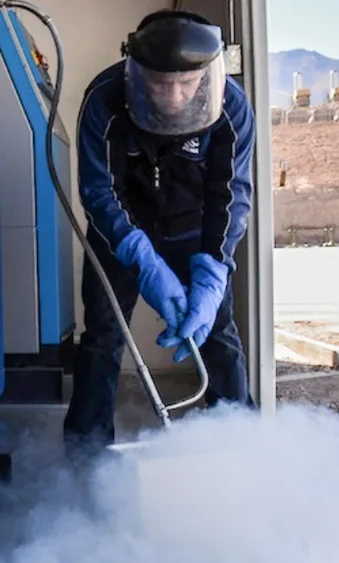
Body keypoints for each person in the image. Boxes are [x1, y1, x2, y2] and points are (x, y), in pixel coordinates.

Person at [62, 9, 256, 462]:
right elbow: (98, 191)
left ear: (206, 75)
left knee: (218, 332)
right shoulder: (104, 99)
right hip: (121, 233)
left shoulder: (232, 107)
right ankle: (85, 456)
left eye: (186, 83)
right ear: (135, 70)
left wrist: (215, 267)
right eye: (161, 83)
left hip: (195, 230)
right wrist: (140, 256)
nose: (174, 96)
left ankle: (243, 448)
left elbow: (232, 194)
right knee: (103, 335)